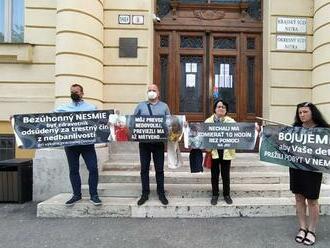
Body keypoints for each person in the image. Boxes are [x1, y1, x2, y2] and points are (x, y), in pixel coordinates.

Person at [55, 83, 102, 206]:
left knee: (93, 168)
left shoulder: (91, 108)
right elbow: (46, 119)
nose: (74, 94)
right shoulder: (63, 108)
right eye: (72, 92)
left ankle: (94, 195)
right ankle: (76, 195)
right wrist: (17, 120)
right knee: (73, 170)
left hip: (87, 145)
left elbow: (100, 121)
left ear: (82, 93)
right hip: (71, 145)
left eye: (76, 92)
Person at [290, 102, 329, 245]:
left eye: (305, 112)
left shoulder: (324, 130)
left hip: (313, 170)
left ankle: (312, 230)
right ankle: (302, 228)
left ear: (313, 112)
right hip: (295, 167)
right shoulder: (294, 129)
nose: (302, 115)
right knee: (299, 198)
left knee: (312, 200)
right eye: (300, 113)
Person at [133, 84, 170, 205]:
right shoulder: (140, 106)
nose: (151, 92)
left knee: (159, 169)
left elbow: (169, 122)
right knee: (144, 169)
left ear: (158, 93)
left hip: (158, 143)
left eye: (154, 90)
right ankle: (145, 193)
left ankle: (161, 193)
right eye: (149, 90)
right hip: (144, 143)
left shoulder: (164, 106)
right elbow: (133, 122)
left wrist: (181, 125)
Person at [205, 100, 235, 205]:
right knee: (214, 175)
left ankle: (227, 195)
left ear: (226, 110)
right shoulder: (208, 122)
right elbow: (203, 135)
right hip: (214, 152)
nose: (221, 108)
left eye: (223, 107)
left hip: (226, 152)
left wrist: (253, 129)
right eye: (219, 107)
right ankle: (215, 194)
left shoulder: (231, 122)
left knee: (226, 175)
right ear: (215, 109)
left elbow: (241, 132)